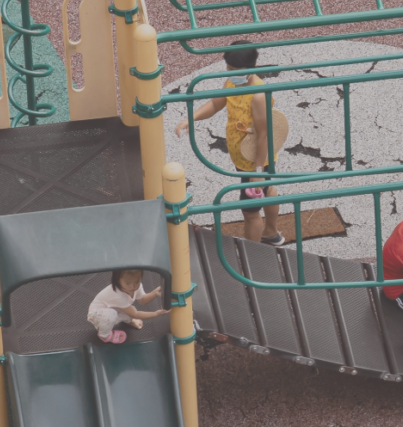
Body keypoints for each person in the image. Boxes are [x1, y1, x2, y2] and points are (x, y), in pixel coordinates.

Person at [174, 41, 284, 245]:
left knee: (250, 211)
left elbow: (263, 135)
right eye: (228, 68)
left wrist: (258, 173)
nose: (230, 73)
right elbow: (217, 102)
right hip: (243, 157)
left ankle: (254, 254)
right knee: (268, 190)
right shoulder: (233, 82)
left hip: (254, 160)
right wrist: (192, 117)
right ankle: (271, 232)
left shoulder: (258, 96)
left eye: (234, 70)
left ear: (250, 69)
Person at [87, 269, 167, 344]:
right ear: (117, 280)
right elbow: (134, 314)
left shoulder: (137, 287)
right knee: (116, 313)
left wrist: (154, 293)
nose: (132, 287)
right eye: (127, 283)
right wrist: (156, 314)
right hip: (97, 315)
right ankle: (104, 335)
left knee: (129, 309)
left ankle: (128, 321)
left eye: (136, 282)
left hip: (116, 309)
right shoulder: (117, 295)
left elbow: (142, 300)